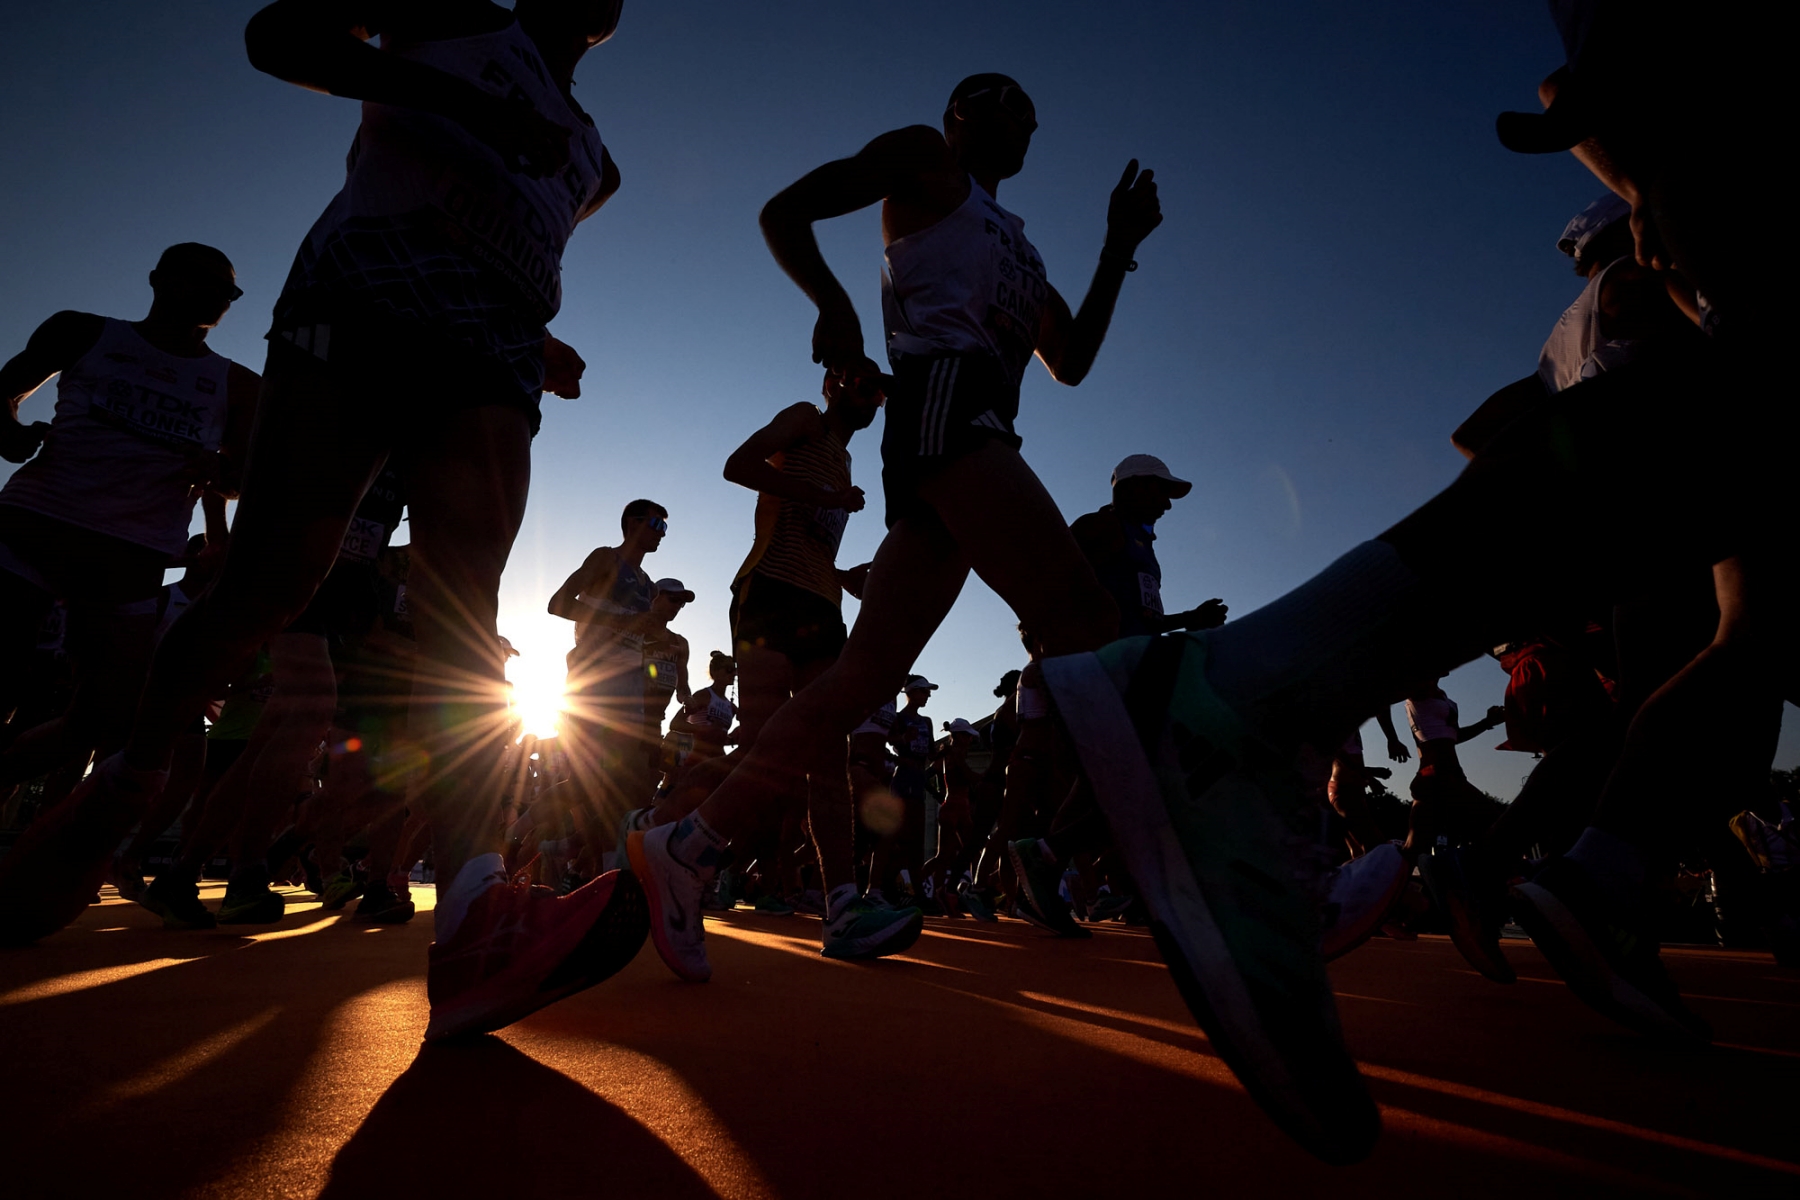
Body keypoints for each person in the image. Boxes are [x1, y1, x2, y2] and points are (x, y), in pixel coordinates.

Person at [0, 0, 648, 1046]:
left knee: (462, 609)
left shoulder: (596, 160)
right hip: (361, 301)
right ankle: (133, 778)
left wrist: (531, 332)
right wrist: (445, 95)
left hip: (487, 356)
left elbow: (511, 222)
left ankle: (474, 917)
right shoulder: (454, 18)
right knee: (268, 583)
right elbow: (277, 37)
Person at [629, 72, 1162, 987]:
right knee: (1084, 617)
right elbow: (786, 211)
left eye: (1028, 114)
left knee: (860, 678)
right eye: (995, 104)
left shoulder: (1023, 248)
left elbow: (1068, 361)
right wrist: (833, 306)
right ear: (958, 119)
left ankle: (690, 843)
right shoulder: (923, 163)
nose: (1017, 120)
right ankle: (1063, 850)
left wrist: (1116, 248)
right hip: (944, 411)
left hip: (980, 426)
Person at [0, 244, 257, 796]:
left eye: (228, 291)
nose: (217, 296)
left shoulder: (239, 384)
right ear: (157, 279)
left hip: (131, 559)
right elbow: (5, 392)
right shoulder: (82, 331)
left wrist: (220, 470)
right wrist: (11, 434)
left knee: (104, 719)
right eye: (200, 280)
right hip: (35, 529)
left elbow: (243, 478)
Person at [549, 499, 667, 872]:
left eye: (665, 528)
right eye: (655, 524)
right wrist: (621, 622)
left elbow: (633, 634)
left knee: (620, 783)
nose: (661, 534)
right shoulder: (605, 559)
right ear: (631, 524)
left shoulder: (648, 586)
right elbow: (558, 604)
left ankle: (589, 858)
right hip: (593, 681)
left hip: (630, 688)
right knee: (593, 779)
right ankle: (532, 833)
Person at [1070, 455, 1227, 638]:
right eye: (1162, 490)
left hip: (1132, 661)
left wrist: (1191, 619)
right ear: (1135, 486)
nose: (1168, 504)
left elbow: (1144, 622)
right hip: (1097, 662)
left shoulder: (1142, 545)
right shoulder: (1099, 526)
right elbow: (1043, 586)